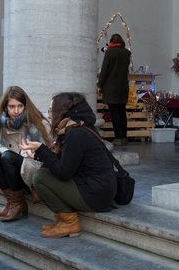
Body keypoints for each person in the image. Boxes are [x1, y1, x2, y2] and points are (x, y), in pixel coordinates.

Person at [18, 92, 117, 238]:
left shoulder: (76, 134)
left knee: (40, 177)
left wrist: (41, 149)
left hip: (96, 194)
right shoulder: (78, 128)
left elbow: (64, 172)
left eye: (52, 110)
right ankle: (61, 220)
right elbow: (66, 163)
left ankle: (69, 222)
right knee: (45, 170)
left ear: (62, 112)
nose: (50, 116)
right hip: (97, 189)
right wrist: (40, 153)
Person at [0, 86, 50, 222]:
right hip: (11, 164)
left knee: (7, 156)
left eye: (20, 106)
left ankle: (17, 204)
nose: (16, 111)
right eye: (12, 106)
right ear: (5, 108)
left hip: (31, 166)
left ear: (25, 105)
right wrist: (4, 150)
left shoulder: (36, 122)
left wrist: (33, 150)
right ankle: (14, 202)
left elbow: (47, 150)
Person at [97, 33, 131, 145]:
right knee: (122, 112)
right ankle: (124, 137)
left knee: (115, 113)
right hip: (123, 87)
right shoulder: (127, 53)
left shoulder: (110, 52)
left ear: (112, 41)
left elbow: (105, 70)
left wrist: (99, 84)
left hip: (111, 88)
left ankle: (117, 138)